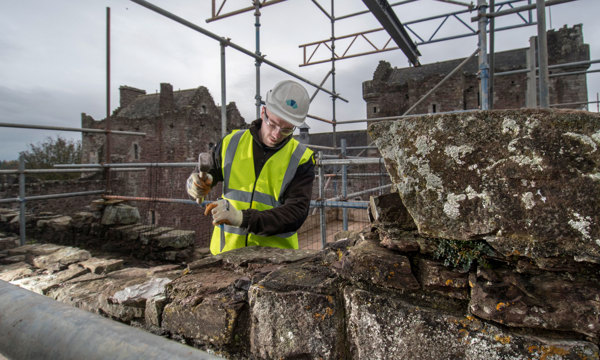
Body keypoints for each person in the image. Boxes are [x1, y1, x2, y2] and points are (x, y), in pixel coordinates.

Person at [186, 80, 315, 255]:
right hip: (227, 254)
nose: (277, 134)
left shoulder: (301, 158)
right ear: (263, 112)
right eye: (273, 124)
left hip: (274, 259)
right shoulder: (232, 142)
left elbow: (295, 213)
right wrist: (195, 185)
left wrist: (242, 218)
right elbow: (203, 175)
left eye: (287, 130)